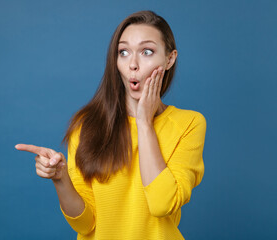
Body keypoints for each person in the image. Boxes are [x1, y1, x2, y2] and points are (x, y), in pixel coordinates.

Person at [15, 10, 206, 240]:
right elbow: (85, 225)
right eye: (123, 52)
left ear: (169, 59)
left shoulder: (189, 124)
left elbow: (162, 204)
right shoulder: (87, 125)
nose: (133, 64)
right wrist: (60, 178)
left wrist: (144, 123)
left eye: (147, 52)